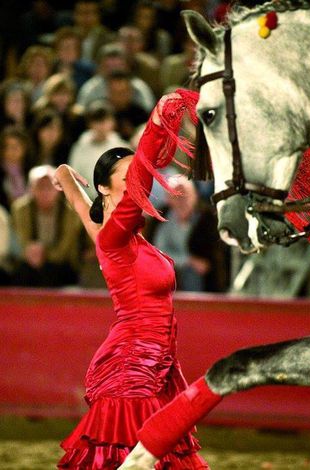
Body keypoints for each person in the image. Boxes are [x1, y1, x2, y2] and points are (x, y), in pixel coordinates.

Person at [54, 90, 208, 468]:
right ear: (106, 188)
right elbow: (142, 173)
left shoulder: (109, 233)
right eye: (126, 178)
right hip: (132, 367)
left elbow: (78, 201)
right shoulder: (114, 234)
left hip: (156, 363)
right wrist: (159, 120)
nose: (139, 183)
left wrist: (63, 175)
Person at [10, 164, 81, 287]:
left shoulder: (71, 212)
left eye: (49, 187)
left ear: (58, 189)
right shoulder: (20, 208)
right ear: (31, 189)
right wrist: (31, 253)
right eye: (40, 187)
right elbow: (22, 241)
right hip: (29, 262)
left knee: (52, 272)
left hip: (61, 264)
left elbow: (65, 249)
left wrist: (44, 254)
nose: (45, 192)